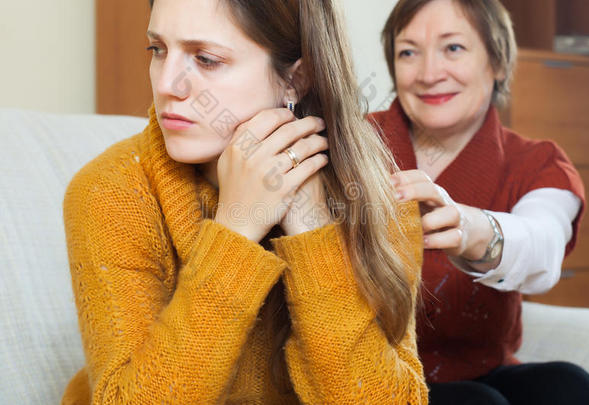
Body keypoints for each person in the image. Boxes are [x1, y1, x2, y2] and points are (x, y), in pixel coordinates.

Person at [61, 0, 429, 404]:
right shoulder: (112, 191)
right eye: (158, 50)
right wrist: (235, 229)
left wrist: (313, 228)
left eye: (206, 59)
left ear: (296, 79)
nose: (167, 84)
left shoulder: (380, 200)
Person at [369, 0, 589, 404]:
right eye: (408, 52)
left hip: (483, 371)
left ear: (498, 62)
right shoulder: (353, 143)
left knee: (572, 387)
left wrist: (474, 231)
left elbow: (542, 244)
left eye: (453, 48)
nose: (429, 74)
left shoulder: (538, 164)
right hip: (367, 376)